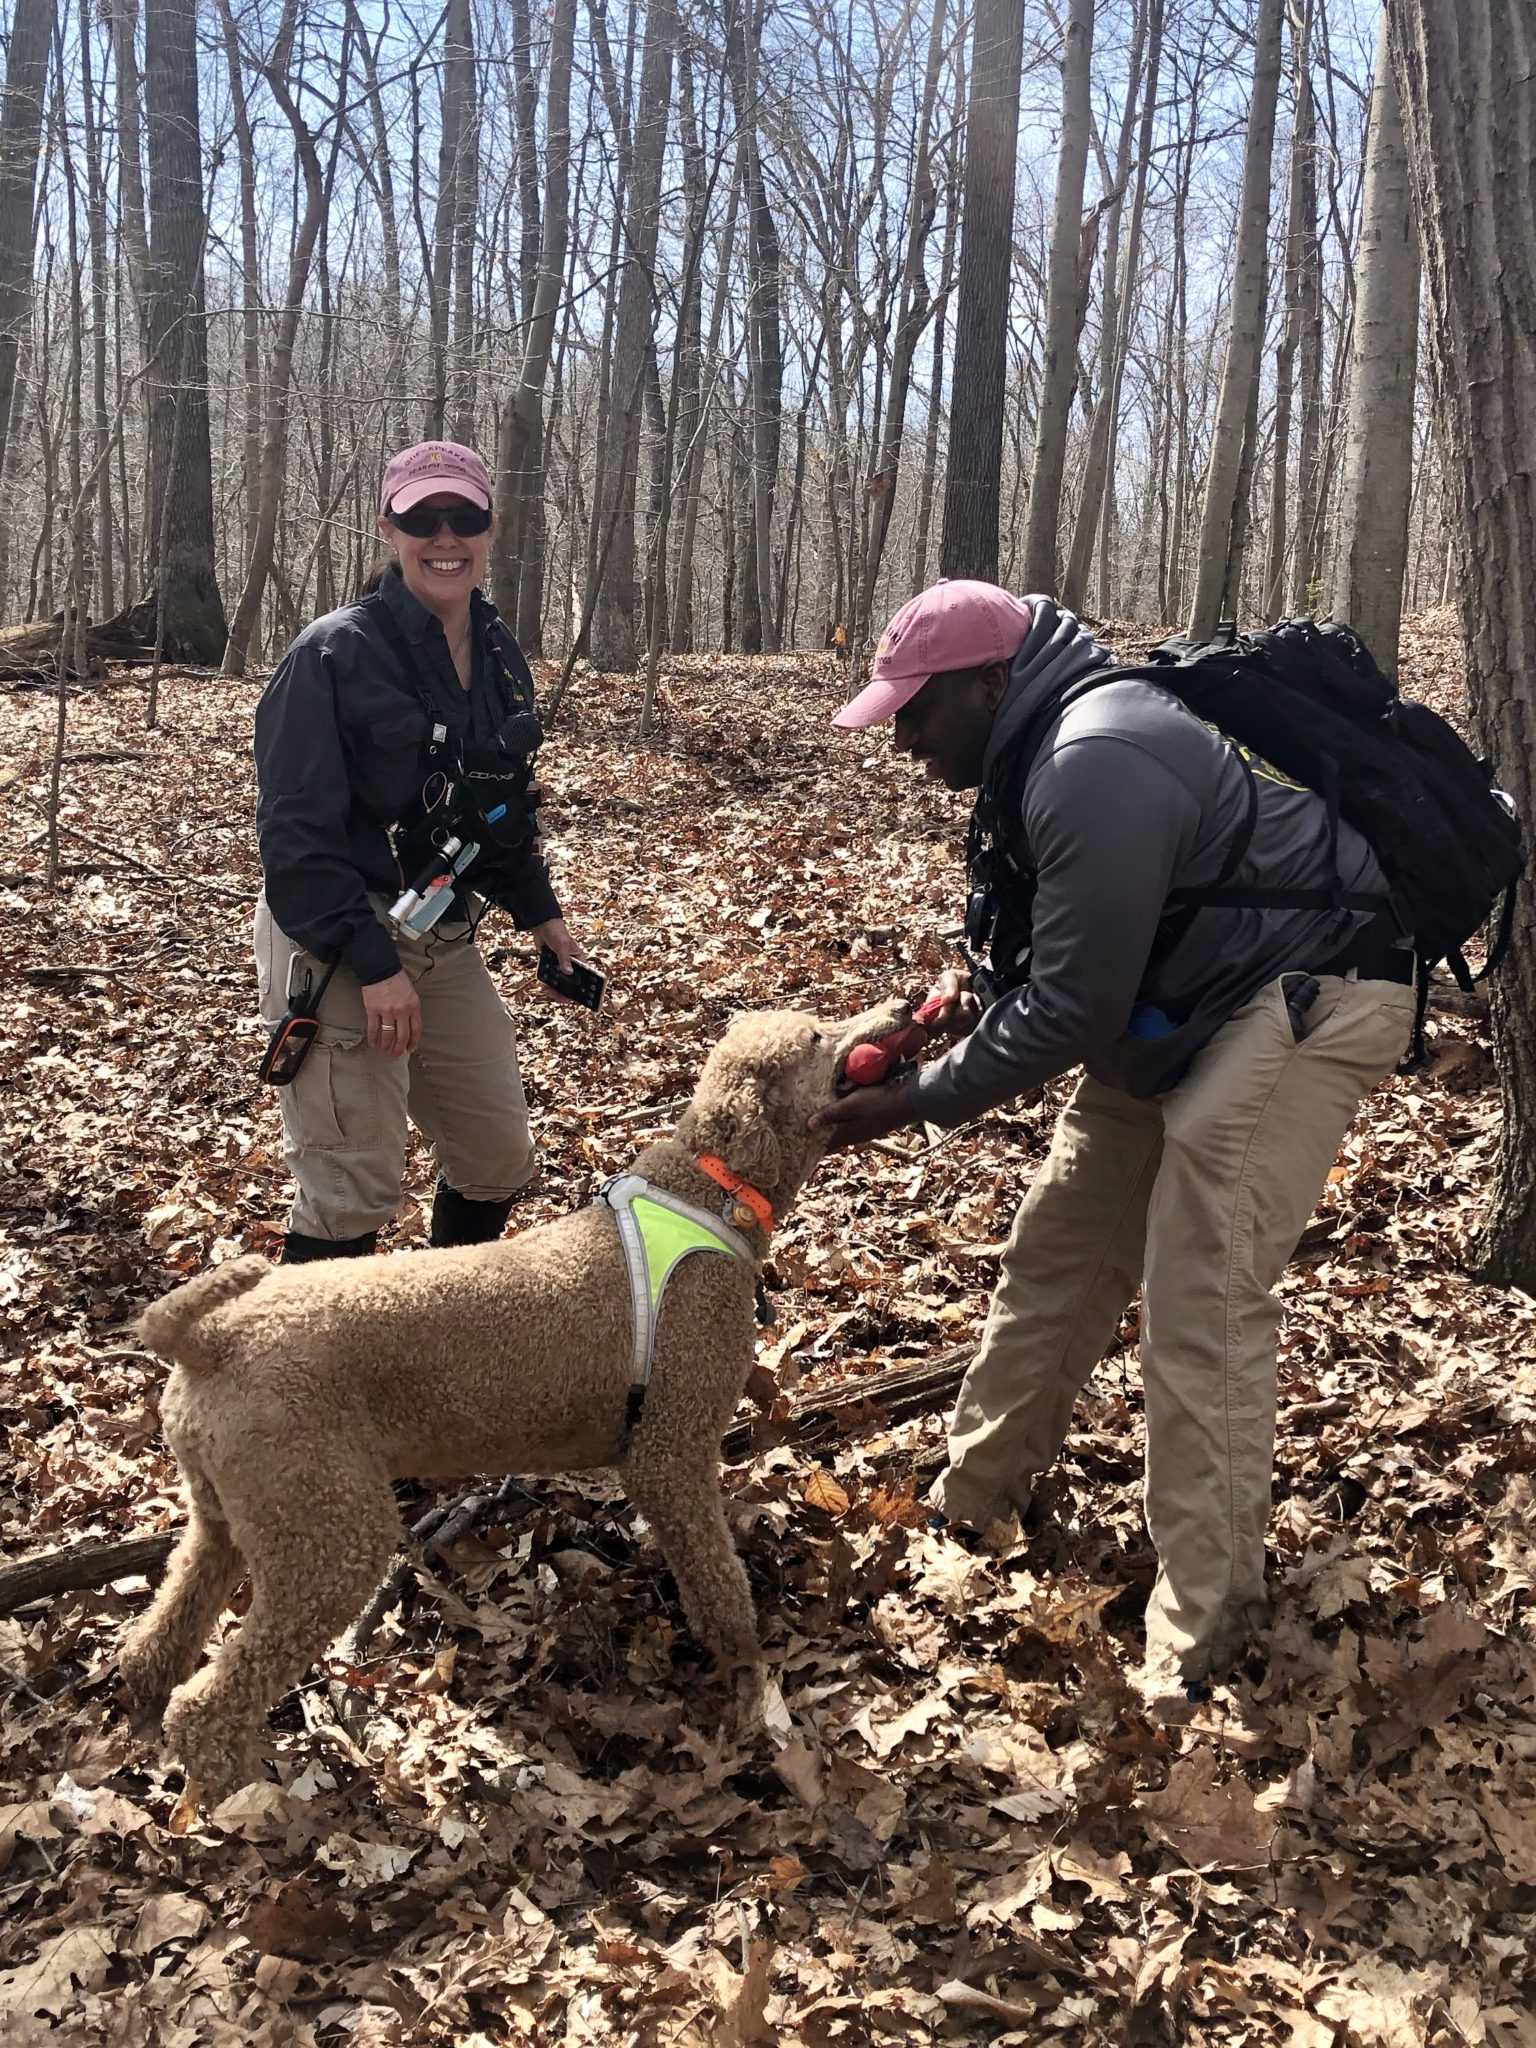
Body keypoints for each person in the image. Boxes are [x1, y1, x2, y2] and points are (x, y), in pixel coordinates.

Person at [814, 580, 1417, 1701]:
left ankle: (1206, 1629)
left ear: (992, 682)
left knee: (1203, 1289)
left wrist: (913, 1102)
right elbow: (1065, 960)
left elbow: (1075, 1013)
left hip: (1312, 998)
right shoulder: (1032, 752)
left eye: (916, 709)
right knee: (1060, 1245)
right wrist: (959, 1003)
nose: (901, 736)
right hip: (1183, 1011)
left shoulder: (1094, 755)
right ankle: (972, 1501)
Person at [253, 439, 587, 1263]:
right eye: (422, 518)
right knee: (352, 1190)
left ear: (490, 528)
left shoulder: (502, 654)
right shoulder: (331, 655)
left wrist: (544, 919)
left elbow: (500, 807)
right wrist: (374, 967)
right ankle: (310, 1379)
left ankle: (443, 1328)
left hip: (439, 928)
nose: (446, 535)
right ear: (387, 528)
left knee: (496, 1158)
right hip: (335, 935)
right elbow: (297, 843)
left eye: (463, 516)